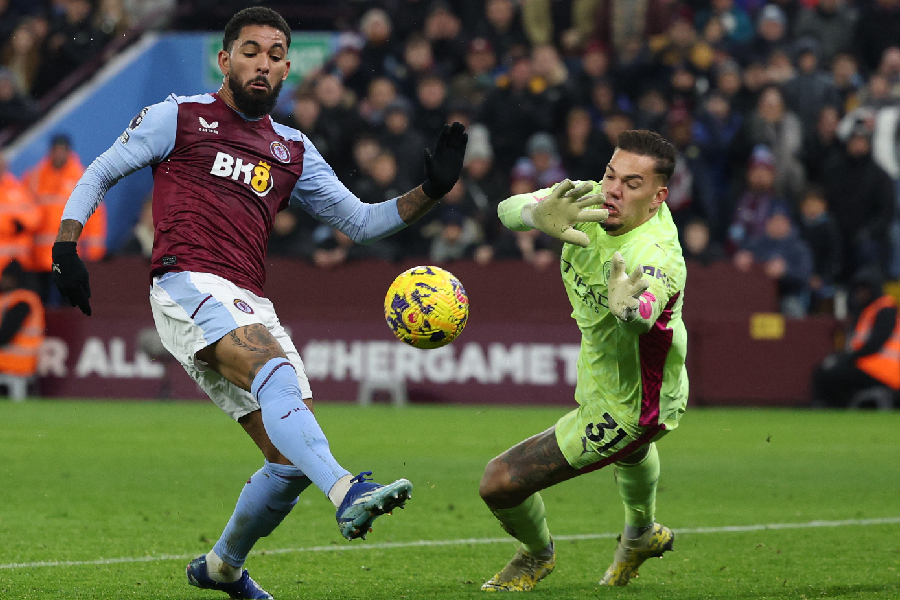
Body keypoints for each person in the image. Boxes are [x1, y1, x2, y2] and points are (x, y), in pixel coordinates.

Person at [49, 7, 467, 600]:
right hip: (186, 283)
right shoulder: (180, 116)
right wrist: (66, 245)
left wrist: (433, 191)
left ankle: (223, 567)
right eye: (250, 51)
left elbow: (361, 222)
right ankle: (346, 490)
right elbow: (101, 170)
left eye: (275, 54)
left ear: (287, 68)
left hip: (249, 299)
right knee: (273, 374)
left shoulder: (292, 148)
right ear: (225, 60)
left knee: (288, 459)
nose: (262, 63)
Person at [481, 130, 686, 590]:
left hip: (634, 405)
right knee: (631, 461)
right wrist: (538, 213)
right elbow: (505, 209)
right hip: (603, 371)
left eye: (632, 184)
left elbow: (645, 309)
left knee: (499, 481)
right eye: (611, 174)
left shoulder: (655, 254)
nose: (613, 189)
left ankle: (536, 555)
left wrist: (630, 308)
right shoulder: (589, 200)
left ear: (658, 198)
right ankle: (641, 535)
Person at [812, 268, 900, 408]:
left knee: (827, 375)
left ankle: (827, 407)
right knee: (825, 370)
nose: (860, 294)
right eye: (858, 290)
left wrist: (848, 358)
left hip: (883, 371)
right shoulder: (868, 310)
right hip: (869, 366)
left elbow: (875, 344)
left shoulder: (885, 309)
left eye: (864, 289)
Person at [0, 259, 44, 390]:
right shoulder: (16, 298)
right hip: (17, 361)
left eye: (5, 277)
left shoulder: (22, 300)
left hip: (15, 362)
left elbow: (5, 334)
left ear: (14, 278)